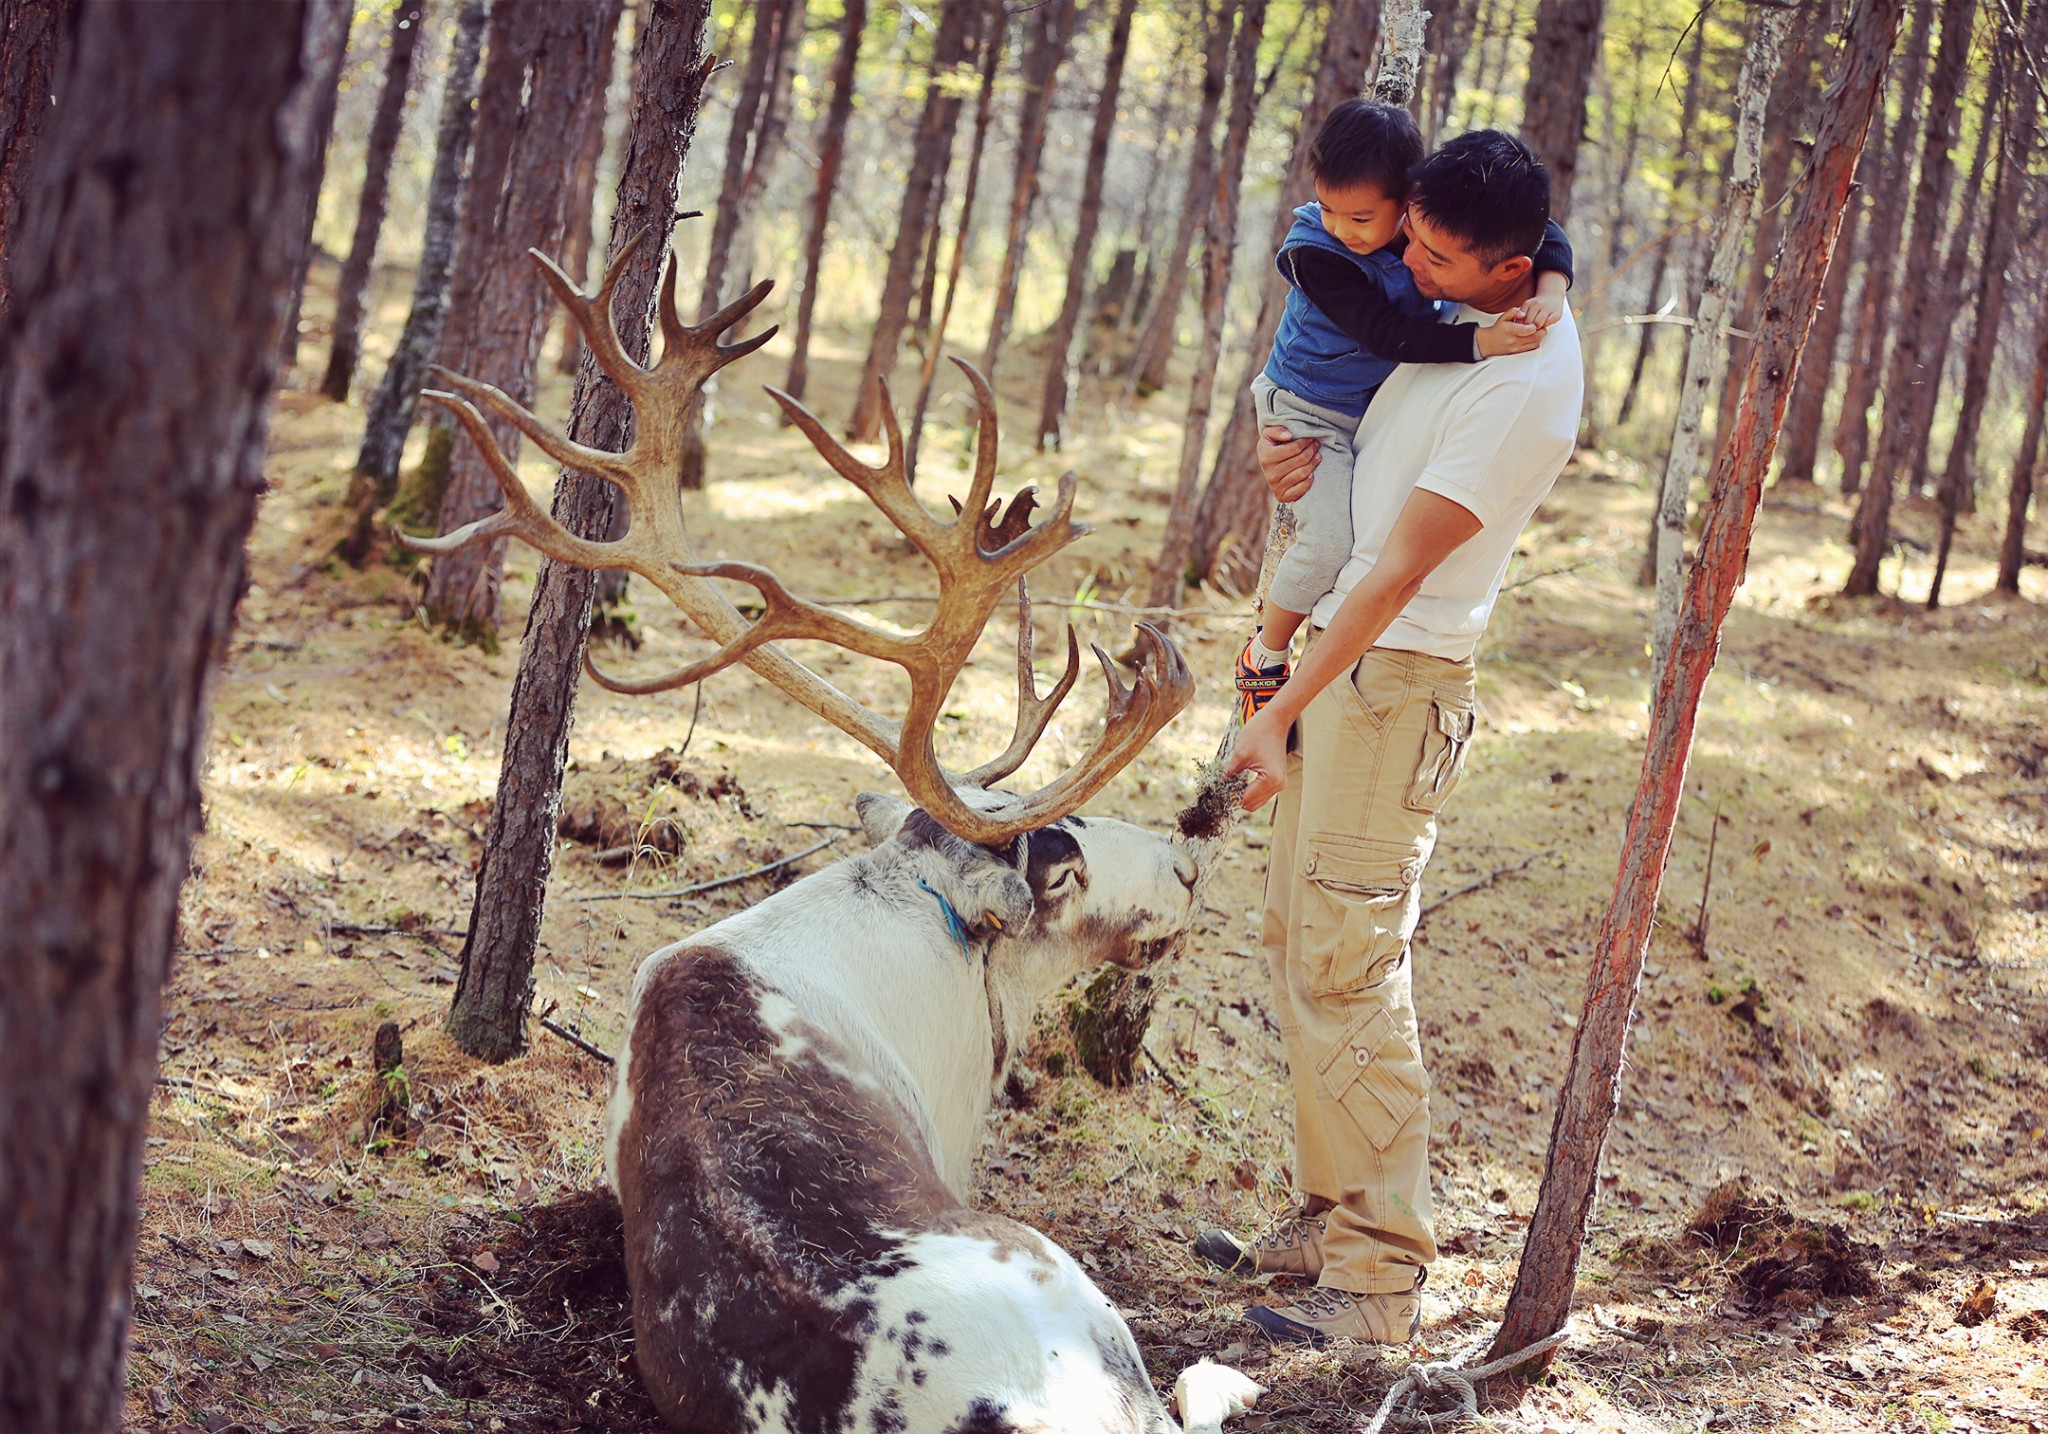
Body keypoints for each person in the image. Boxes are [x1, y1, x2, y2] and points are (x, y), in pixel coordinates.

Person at [1192, 129, 1585, 1347]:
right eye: (1402, 235)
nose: (1401, 263)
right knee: (1296, 937)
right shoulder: (1449, 290)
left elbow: (1393, 576)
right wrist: (1288, 467)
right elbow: (1359, 479)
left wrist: (1275, 707)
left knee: (1348, 963)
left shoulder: (1521, 383)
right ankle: (1329, 1214)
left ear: (1512, 271)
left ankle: (1375, 1284)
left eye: (1432, 252)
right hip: (1334, 658)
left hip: (1388, 674)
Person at [1233, 101, 1574, 724]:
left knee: (1329, 538)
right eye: (1329, 209)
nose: (1343, 228)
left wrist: (1552, 290)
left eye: (1362, 216)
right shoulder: (1321, 255)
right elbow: (1388, 336)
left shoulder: (1520, 369)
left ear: (1404, 196)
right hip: (1308, 411)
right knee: (1326, 540)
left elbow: (1541, 231)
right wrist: (1478, 343)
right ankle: (1265, 650)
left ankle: (1272, 652)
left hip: (1394, 648)